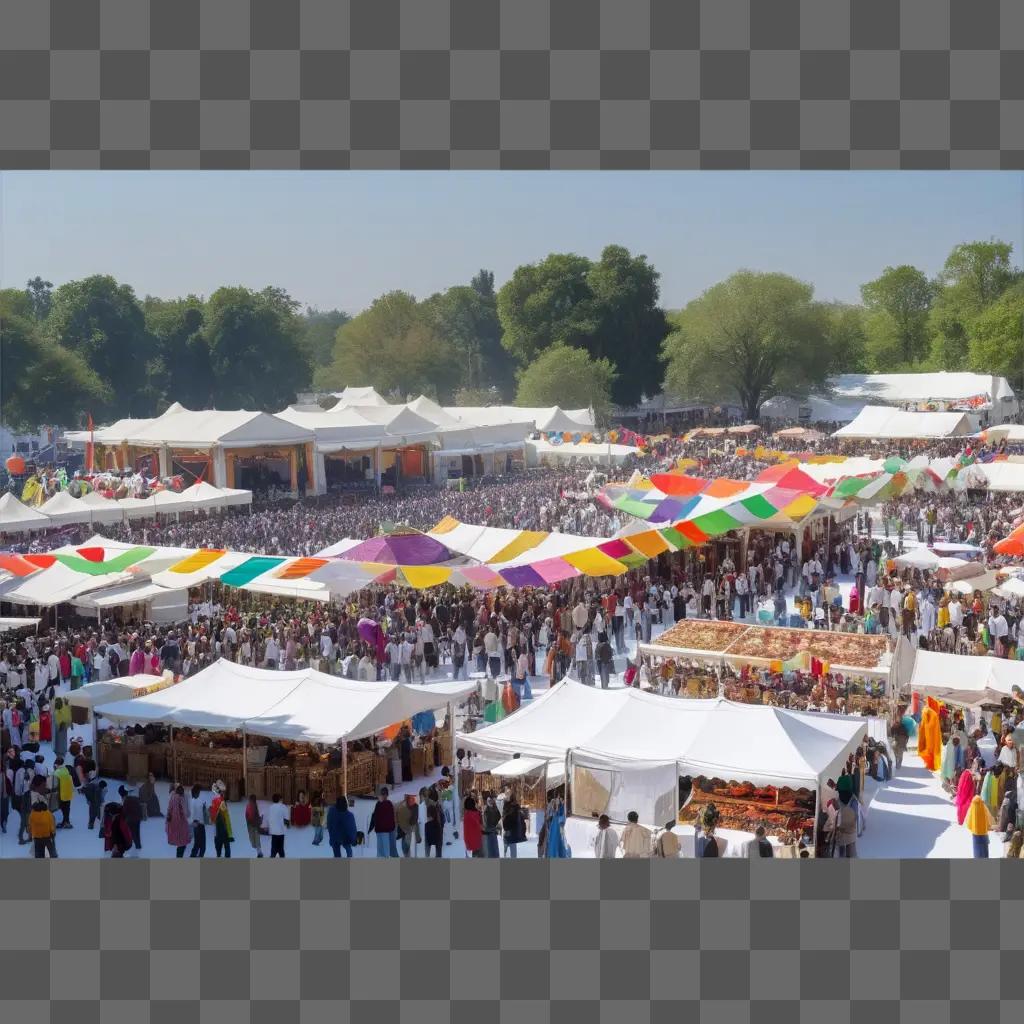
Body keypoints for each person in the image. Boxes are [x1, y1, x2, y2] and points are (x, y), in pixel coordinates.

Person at [368, 787, 398, 858]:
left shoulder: (389, 804)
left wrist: (392, 828)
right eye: (382, 794)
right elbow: (374, 816)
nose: (383, 795)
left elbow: (391, 818)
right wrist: (371, 827)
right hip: (379, 830)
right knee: (380, 850)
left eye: (384, 794)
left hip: (386, 831)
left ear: (387, 795)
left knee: (385, 850)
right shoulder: (378, 804)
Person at [165, 784, 191, 857]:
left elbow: (169, 810)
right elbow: (185, 813)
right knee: (182, 844)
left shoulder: (172, 797)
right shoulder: (180, 799)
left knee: (180, 844)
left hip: (174, 824)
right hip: (180, 824)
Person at [210, 783, 233, 858]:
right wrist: (229, 832)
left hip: (217, 831)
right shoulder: (221, 802)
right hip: (222, 830)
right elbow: (226, 817)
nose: (224, 793)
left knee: (218, 851)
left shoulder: (214, 801)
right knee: (226, 849)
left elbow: (212, 818)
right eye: (223, 792)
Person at [395, 793, 420, 857]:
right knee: (404, 846)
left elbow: (414, 819)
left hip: (409, 828)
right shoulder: (402, 805)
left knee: (405, 846)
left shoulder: (415, 806)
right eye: (407, 797)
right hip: (403, 828)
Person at [52, 756, 74, 829]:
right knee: (67, 808)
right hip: (68, 793)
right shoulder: (66, 769)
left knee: (62, 808)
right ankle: (66, 822)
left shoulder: (57, 772)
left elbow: (53, 784)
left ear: (56, 764)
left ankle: (65, 822)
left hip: (61, 794)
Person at [267, 793, 290, 858]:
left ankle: (272, 857)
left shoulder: (270, 807)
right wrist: (287, 825)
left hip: (273, 831)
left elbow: (268, 818)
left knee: (273, 848)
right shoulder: (283, 807)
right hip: (281, 831)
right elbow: (286, 819)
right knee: (281, 848)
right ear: (280, 799)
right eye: (281, 799)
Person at [481, 793, 502, 858]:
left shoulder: (488, 809)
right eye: (489, 801)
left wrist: (494, 824)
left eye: (491, 801)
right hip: (490, 830)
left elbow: (487, 821)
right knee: (492, 847)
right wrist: (494, 824)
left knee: (492, 847)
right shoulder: (489, 809)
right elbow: (486, 821)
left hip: (490, 830)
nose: (491, 802)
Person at [189, 784, 207, 857]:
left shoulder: (197, 800)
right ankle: (194, 855)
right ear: (196, 792)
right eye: (199, 792)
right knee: (199, 843)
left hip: (199, 824)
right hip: (198, 824)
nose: (199, 793)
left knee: (199, 842)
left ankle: (197, 855)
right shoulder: (194, 801)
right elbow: (193, 813)